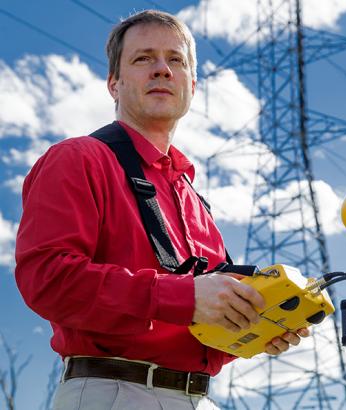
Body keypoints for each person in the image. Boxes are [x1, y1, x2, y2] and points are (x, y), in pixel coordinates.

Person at [15, 10, 307, 410]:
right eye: (143, 58)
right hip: (112, 390)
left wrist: (253, 329)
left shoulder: (193, 198)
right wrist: (183, 296)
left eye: (176, 60)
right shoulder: (78, 158)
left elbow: (198, 327)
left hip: (198, 397)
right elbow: (47, 279)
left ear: (192, 84)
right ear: (113, 84)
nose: (162, 70)